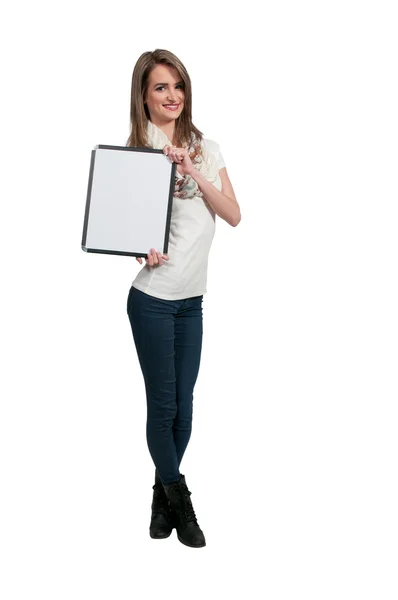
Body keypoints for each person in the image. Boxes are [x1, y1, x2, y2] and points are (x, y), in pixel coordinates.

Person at [125, 49, 241, 548]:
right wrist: (138, 249)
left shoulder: (206, 148)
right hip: (152, 299)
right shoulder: (136, 154)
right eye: (160, 88)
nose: (173, 96)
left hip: (192, 301)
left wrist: (193, 171)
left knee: (185, 410)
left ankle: (160, 495)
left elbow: (233, 214)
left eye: (178, 86)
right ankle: (181, 498)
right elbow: (126, 231)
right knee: (163, 405)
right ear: (144, 97)